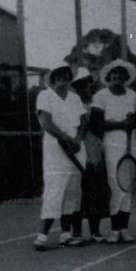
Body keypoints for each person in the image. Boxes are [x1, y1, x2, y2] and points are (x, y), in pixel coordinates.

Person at [34, 64, 87, 251]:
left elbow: (83, 122)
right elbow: (46, 122)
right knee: (54, 189)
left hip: (77, 147)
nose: (63, 78)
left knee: (73, 191)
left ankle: (67, 234)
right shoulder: (44, 96)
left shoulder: (75, 98)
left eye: (66, 75)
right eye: (59, 75)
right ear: (53, 78)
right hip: (55, 149)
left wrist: (77, 140)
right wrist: (66, 139)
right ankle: (42, 235)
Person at [90, 59, 136, 243]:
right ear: (109, 77)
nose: (117, 78)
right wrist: (120, 124)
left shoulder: (133, 96)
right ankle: (114, 229)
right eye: (114, 75)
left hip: (131, 144)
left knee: (127, 185)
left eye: (121, 75)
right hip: (111, 145)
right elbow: (96, 124)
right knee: (114, 184)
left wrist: (132, 122)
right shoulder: (101, 96)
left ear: (126, 78)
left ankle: (124, 229)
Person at [71, 67, 110, 242]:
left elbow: (100, 127)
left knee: (94, 190)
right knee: (77, 192)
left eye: (86, 82)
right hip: (77, 147)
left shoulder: (97, 102)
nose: (84, 86)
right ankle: (76, 232)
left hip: (93, 148)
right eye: (80, 84)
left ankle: (95, 231)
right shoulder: (71, 103)